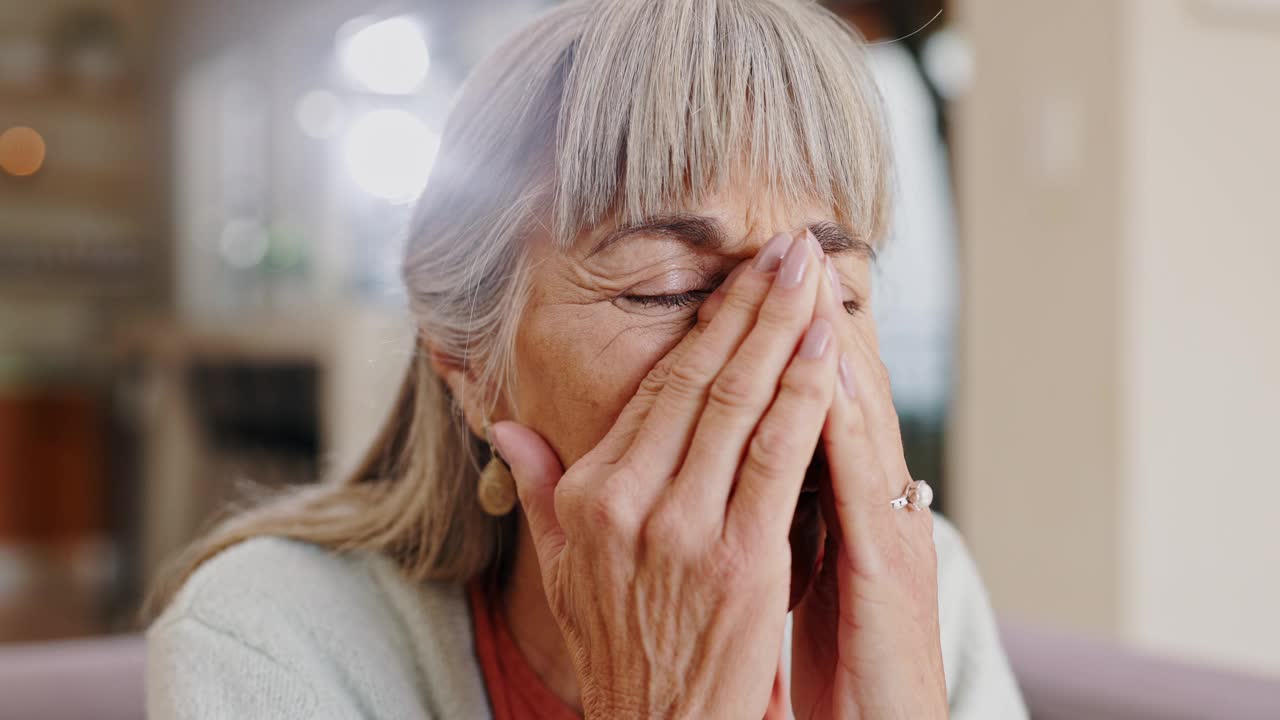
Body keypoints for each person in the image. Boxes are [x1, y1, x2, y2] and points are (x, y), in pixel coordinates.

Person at [147, 0, 1026, 717]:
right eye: (669, 288)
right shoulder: (273, 639)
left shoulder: (924, 587)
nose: (782, 361)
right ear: (470, 361)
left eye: (838, 294)